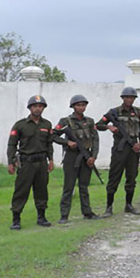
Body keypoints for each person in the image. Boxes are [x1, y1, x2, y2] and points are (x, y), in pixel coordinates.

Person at [95, 87, 140, 217]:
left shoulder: (138, 112)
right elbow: (98, 125)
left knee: (131, 177)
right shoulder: (114, 112)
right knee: (114, 177)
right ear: (123, 98)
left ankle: (129, 205)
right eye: (127, 97)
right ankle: (109, 207)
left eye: (132, 98)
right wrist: (109, 126)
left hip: (133, 148)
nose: (129, 100)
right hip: (120, 148)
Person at [6, 95, 55, 230]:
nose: (37, 109)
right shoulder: (20, 125)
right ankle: (16, 219)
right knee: (21, 191)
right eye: (35, 106)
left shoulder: (47, 124)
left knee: (42, 190)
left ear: (43, 108)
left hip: (42, 162)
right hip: (26, 162)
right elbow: (12, 144)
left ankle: (41, 217)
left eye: (40, 106)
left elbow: (49, 143)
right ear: (30, 108)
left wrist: (51, 159)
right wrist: (10, 162)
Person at [53, 94, 101, 224]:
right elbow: (53, 135)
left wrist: (93, 157)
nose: (81, 107)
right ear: (73, 106)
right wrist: (66, 143)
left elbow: (95, 139)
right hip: (71, 157)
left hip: (86, 156)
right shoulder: (65, 121)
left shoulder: (90, 121)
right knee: (68, 187)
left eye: (83, 105)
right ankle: (64, 215)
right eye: (78, 105)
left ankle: (87, 212)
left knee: (84, 187)